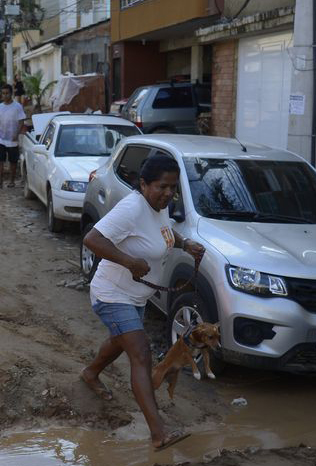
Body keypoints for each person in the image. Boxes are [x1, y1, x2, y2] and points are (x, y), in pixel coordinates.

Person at [80, 154, 206, 451]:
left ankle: (90, 374)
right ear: (143, 184)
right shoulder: (132, 207)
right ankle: (159, 433)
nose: (168, 194)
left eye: (172, 188)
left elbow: (162, 230)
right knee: (140, 353)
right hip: (111, 293)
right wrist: (128, 261)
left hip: (135, 295)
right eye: (162, 187)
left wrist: (185, 243)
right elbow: (91, 239)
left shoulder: (158, 206)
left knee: (119, 341)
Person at [0, 84, 27, 188]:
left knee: (13, 161)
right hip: (0, 138)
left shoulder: (17, 106)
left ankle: (11, 181)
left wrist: (16, 134)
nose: (5, 95)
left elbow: (21, 121)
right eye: (3, 93)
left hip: (12, 139)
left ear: (11, 94)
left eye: (7, 93)